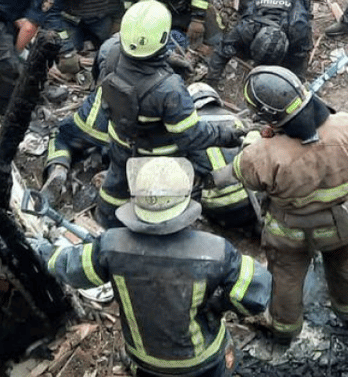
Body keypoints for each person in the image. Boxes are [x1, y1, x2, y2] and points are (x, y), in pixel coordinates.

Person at [37, 156, 271, 377]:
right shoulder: (215, 251)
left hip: (146, 362)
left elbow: (71, 269)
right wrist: (218, 306)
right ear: (185, 200)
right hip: (202, 363)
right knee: (228, 355)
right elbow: (257, 293)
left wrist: (42, 249)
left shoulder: (111, 245)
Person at [217, 65, 348, 343]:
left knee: (286, 277)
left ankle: (284, 328)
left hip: (291, 235)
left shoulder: (261, 154)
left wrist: (253, 141)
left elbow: (240, 176)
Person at [95, 1, 242, 227]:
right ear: (163, 38)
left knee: (116, 183)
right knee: (162, 199)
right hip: (157, 156)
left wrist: (164, 62)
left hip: (119, 139)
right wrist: (226, 135)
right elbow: (191, 135)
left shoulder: (111, 52)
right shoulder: (169, 89)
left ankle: (105, 223)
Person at [206, 0, 313, 79]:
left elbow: (301, 57)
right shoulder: (247, 28)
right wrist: (212, 79)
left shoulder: (299, 30)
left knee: (296, 55)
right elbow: (223, 50)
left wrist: (296, 81)